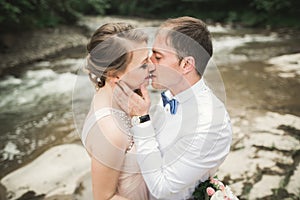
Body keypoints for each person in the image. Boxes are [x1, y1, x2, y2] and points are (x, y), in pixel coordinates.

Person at [115, 16, 232, 199]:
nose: (148, 61)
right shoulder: (170, 94)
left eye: (158, 56)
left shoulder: (209, 124)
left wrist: (142, 119)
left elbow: (163, 188)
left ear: (186, 64)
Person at [81, 22, 153, 200]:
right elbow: (104, 197)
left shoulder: (113, 94)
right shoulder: (111, 132)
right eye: (144, 64)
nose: (152, 67)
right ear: (114, 75)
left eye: (149, 58)